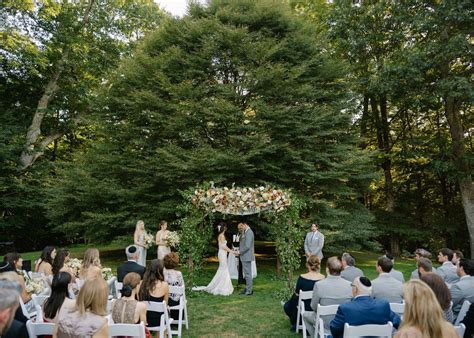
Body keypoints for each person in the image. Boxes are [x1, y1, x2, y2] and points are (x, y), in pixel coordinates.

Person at [330, 276, 400, 338]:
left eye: (352, 286)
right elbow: (398, 322)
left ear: (355, 289)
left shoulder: (345, 308)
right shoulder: (383, 305)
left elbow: (334, 329)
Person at [303, 256, 352, 337]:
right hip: (342, 323)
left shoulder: (319, 285)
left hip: (324, 324)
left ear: (327, 269)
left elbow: (313, 307)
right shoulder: (350, 285)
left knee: (305, 315)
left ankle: (315, 336)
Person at [283, 255, 325, 331]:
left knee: (291, 303)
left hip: (305, 306)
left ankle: (296, 320)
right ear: (318, 265)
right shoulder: (323, 278)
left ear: (307, 265)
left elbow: (297, 293)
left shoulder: (302, 277)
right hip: (317, 306)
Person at [193, 224, 237, 296]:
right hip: (222, 253)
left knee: (223, 268)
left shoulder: (221, 235)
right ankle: (222, 286)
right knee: (224, 268)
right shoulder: (222, 236)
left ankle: (222, 284)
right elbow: (223, 246)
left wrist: (230, 251)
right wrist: (232, 251)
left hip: (223, 253)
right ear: (224, 228)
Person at [138, 259, 169, 328]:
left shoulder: (140, 284)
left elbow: (138, 301)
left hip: (142, 319)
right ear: (160, 270)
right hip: (159, 321)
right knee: (165, 313)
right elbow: (165, 305)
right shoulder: (164, 285)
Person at [163, 253, 184, 321]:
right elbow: (181, 286)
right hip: (176, 301)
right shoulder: (178, 274)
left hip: (163, 302)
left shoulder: (162, 273)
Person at [236, 222, 255, 295]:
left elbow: (247, 246)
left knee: (248, 274)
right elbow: (241, 240)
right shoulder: (245, 232)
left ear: (245, 225)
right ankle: (248, 288)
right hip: (245, 256)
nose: (240, 229)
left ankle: (249, 291)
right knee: (247, 274)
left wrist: (240, 252)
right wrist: (242, 232)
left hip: (246, 256)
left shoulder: (249, 232)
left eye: (241, 227)